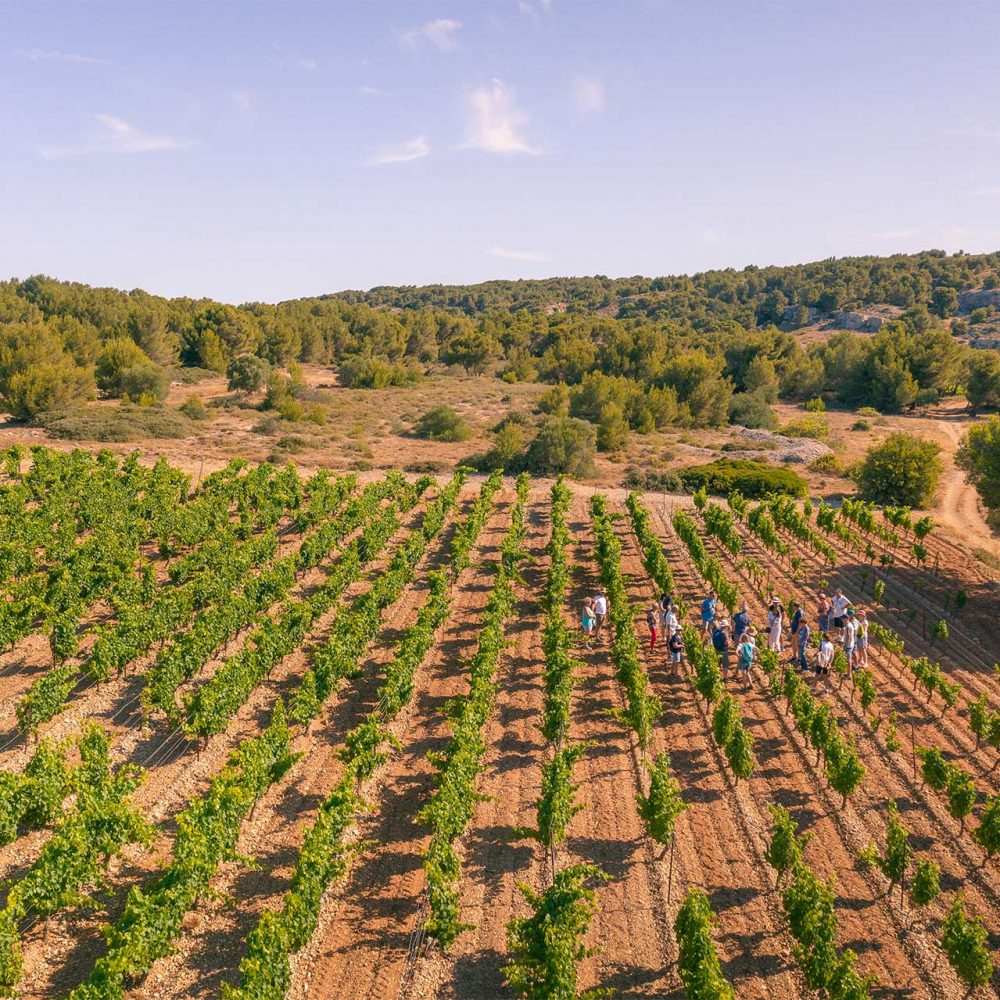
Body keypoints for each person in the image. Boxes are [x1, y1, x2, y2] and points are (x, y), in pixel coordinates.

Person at [843, 608, 859, 675]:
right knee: (852, 653)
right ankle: (854, 666)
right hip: (852, 641)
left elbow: (853, 633)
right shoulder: (850, 623)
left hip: (852, 641)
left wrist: (847, 644)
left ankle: (855, 666)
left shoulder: (853, 623)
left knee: (853, 653)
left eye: (848, 615)